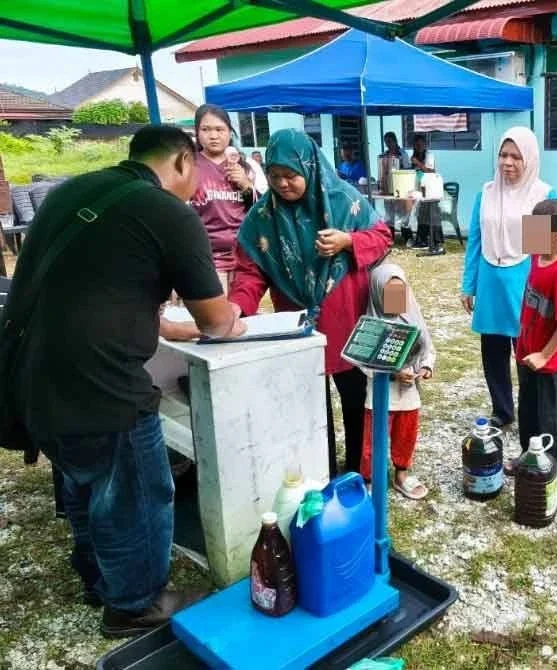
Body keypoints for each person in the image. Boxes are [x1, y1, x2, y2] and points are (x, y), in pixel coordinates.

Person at [7, 125, 246, 637]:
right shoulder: (168, 213)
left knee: (84, 480)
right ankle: (135, 604)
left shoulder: (73, 190)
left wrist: (168, 325)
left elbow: (97, 285)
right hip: (102, 385)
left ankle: (99, 578)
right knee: (136, 490)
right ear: (182, 161)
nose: (197, 190)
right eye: (195, 176)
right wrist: (233, 319)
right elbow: (216, 322)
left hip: (34, 376)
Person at [229, 129, 393, 477]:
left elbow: (382, 237)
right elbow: (250, 272)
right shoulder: (263, 218)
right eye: (274, 176)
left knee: (352, 395)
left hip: (346, 319)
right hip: (298, 323)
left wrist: (349, 240)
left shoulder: (343, 199)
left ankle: (354, 472)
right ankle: (319, 469)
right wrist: (237, 307)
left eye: (291, 175)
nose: (283, 184)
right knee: (308, 403)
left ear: (311, 168)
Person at [461, 127, 555, 429]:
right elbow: (475, 240)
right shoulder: (486, 193)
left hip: (523, 278)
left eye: (516, 156)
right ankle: (502, 409)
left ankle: (532, 408)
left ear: (529, 159)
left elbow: (542, 253)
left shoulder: (541, 195)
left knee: (525, 349)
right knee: (492, 350)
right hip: (490, 277)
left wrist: (543, 294)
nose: (508, 163)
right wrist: (469, 284)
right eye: (503, 155)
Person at [511, 199, 557, 494]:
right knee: (527, 411)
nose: (528, 235)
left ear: (556, 239)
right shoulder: (536, 259)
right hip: (527, 353)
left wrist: (545, 354)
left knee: (551, 418)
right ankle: (531, 458)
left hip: (551, 361)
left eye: (535, 230)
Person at [359, 263, 435, 501]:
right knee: (373, 439)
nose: (396, 300)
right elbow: (364, 362)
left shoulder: (412, 315)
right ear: (377, 293)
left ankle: (401, 473)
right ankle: (369, 479)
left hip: (409, 392)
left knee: (406, 434)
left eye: (400, 294)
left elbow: (428, 348)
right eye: (389, 295)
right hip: (380, 394)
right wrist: (392, 374)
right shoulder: (371, 323)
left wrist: (425, 367)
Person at [189, 104, 259, 294]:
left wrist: (245, 184)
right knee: (217, 316)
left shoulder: (247, 166)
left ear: (230, 132)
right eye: (206, 129)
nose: (213, 136)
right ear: (197, 132)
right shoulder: (189, 166)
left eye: (220, 129)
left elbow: (261, 209)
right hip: (206, 257)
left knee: (241, 313)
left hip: (243, 256)